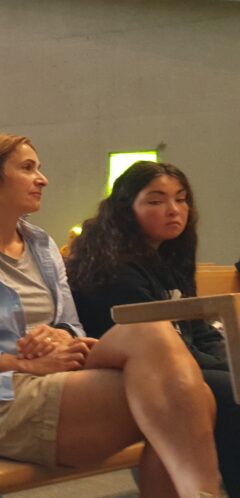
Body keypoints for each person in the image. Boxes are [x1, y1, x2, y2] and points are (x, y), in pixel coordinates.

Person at [0, 134, 221, 497]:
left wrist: (63, 334)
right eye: (28, 168)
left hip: (60, 375)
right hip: (1, 402)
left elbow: (72, 323)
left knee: (167, 362)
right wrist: (20, 363)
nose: (42, 179)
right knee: (186, 396)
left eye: (39, 168)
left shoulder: (42, 245)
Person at [67, 161, 240, 496]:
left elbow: (199, 329)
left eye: (181, 199)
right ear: (126, 209)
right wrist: (230, 372)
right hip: (133, 374)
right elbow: (163, 344)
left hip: (177, 364)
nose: (174, 210)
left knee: (233, 383)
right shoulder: (113, 267)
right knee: (231, 395)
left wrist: (232, 363)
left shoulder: (166, 259)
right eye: (156, 201)